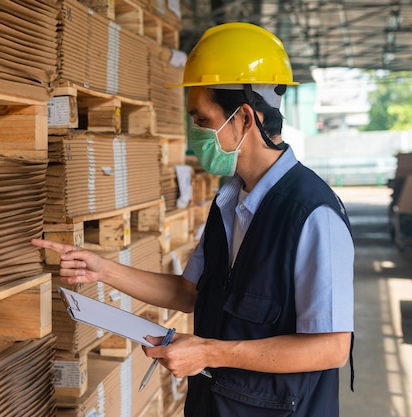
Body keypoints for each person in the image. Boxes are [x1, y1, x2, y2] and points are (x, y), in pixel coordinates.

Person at [33, 21, 354, 417]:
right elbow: (190, 293)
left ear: (245, 119)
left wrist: (207, 351)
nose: (195, 135)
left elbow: (332, 347)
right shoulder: (230, 202)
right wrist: (102, 270)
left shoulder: (312, 214)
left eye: (202, 121)